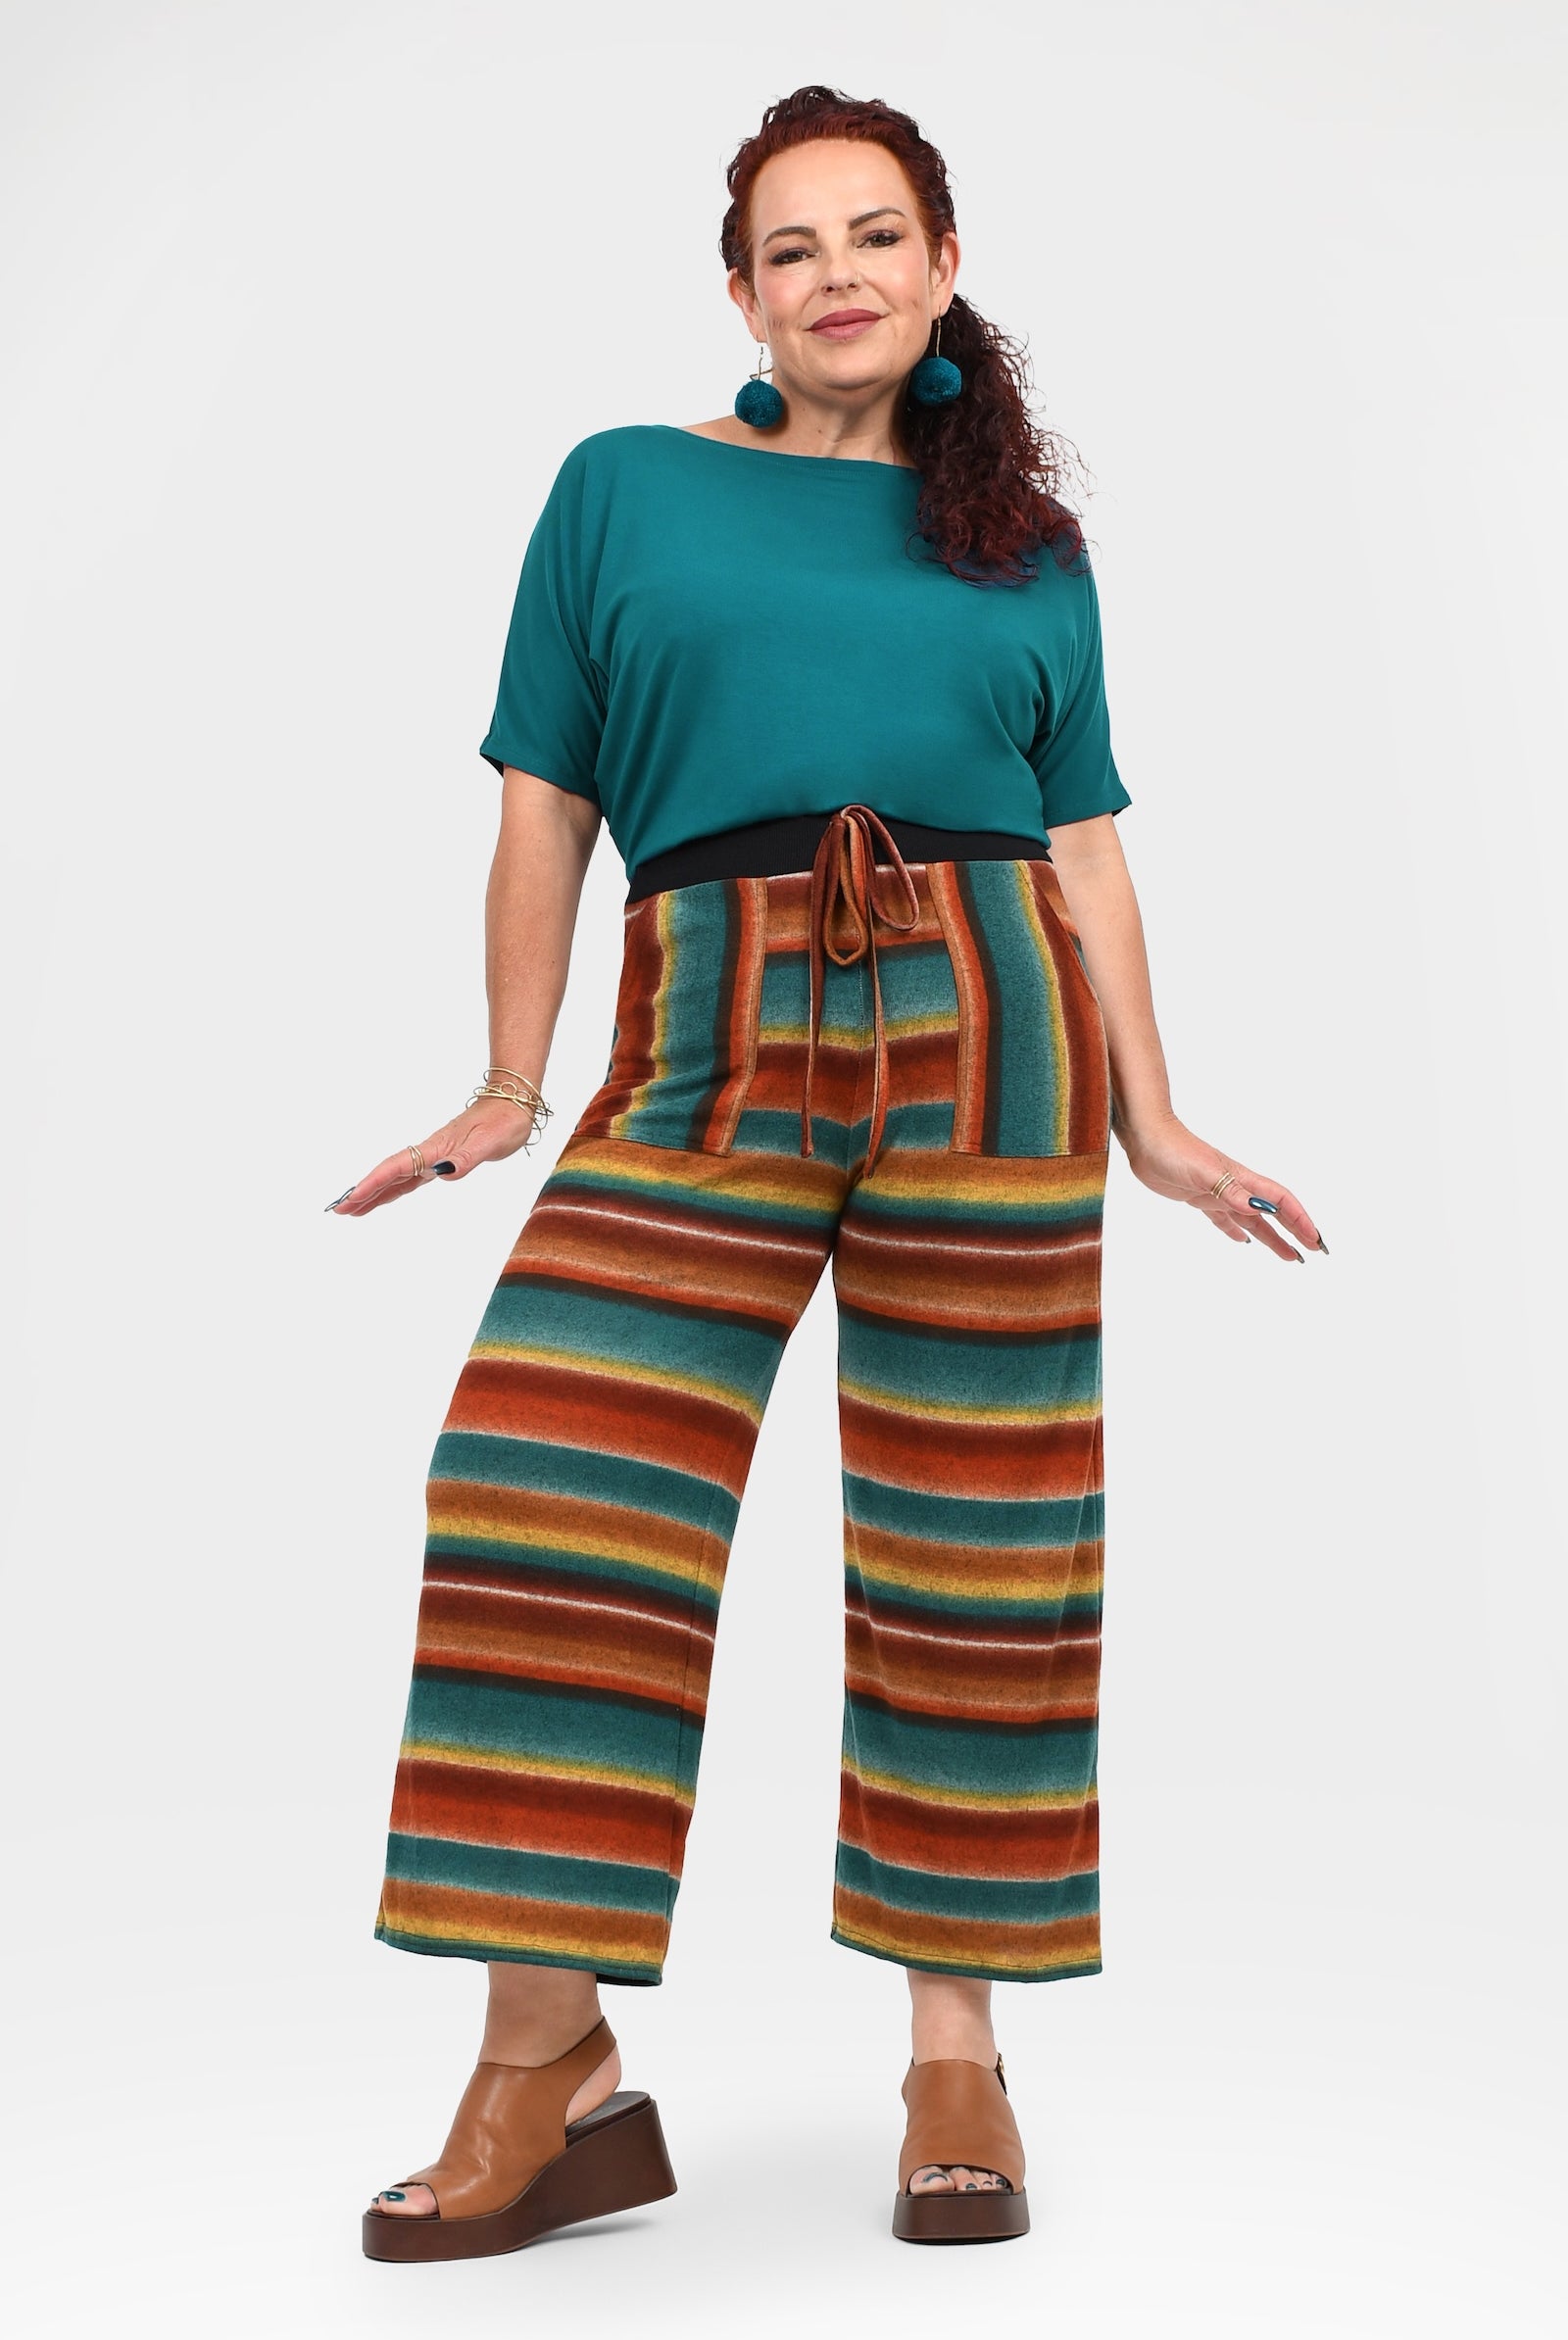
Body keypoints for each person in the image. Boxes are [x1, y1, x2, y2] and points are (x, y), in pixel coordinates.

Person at [330, 84, 1326, 2259]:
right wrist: (507, 1080)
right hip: (708, 1023)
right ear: (741, 295)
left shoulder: (1023, 542)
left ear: (944, 268)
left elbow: (1084, 844)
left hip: (999, 1021)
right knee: (541, 1483)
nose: (839, 274)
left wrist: (1153, 1115)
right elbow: (541, 801)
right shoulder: (623, 487)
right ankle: (546, 2061)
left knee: (977, 1541)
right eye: (793, 247)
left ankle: (956, 2061)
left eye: (877, 235)